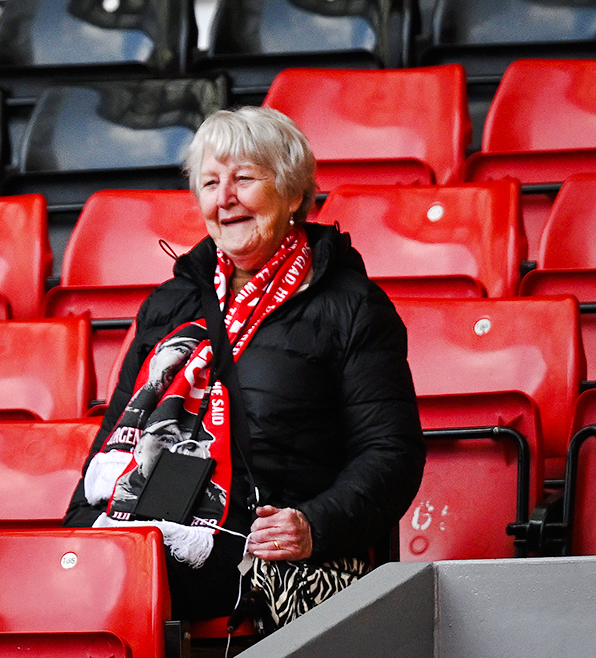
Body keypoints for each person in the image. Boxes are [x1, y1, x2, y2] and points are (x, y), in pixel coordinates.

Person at [65, 106, 425, 629]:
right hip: (158, 520)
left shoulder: (352, 306)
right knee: (63, 576)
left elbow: (392, 453)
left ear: (295, 194)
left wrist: (313, 525)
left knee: (126, 585)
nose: (225, 198)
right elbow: (115, 438)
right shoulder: (171, 303)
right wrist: (77, 531)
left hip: (266, 545)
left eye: (245, 179)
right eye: (210, 183)